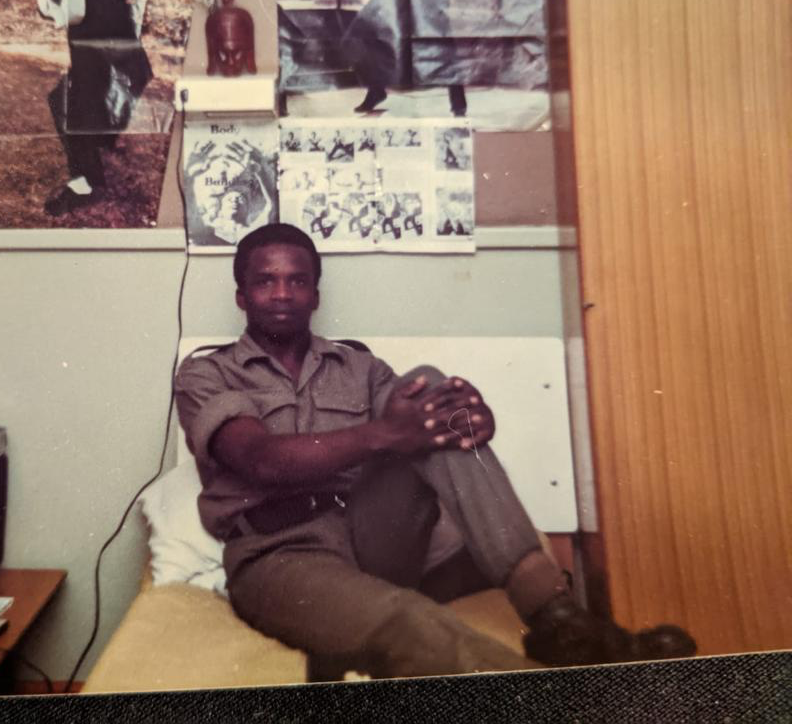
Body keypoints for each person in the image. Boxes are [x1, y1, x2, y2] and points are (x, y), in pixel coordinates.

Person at [175, 223, 696, 680]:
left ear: (316, 294)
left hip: (371, 534)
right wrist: (387, 435)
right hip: (281, 553)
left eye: (298, 280)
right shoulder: (207, 373)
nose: (283, 293)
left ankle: (557, 620)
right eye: (266, 281)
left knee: (427, 386)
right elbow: (260, 459)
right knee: (407, 620)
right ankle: (570, 697)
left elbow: (423, 419)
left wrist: (463, 421)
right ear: (242, 296)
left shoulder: (359, 368)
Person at [8, 0, 152, 217]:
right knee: (79, 105)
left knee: (68, 108)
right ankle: (102, 141)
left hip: (107, 65)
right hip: (116, 62)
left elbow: (78, 2)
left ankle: (85, 185)